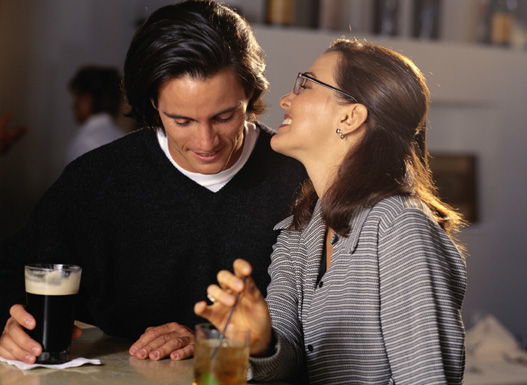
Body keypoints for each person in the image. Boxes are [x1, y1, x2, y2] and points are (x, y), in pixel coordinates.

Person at [0, 0, 306, 365]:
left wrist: (211, 338)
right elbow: (13, 271)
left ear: (251, 95)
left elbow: (326, 329)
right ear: (152, 104)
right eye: (182, 121)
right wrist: (10, 322)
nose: (206, 143)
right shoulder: (97, 180)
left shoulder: (301, 181)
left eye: (224, 116)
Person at [195, 39, 468, 384]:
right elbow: (285, 364)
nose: (285, 99)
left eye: (306, 85)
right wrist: (261, 343)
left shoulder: (401, 226)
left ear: (350, 116)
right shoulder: (299, 229)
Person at [66, 65, 125, 164]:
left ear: (87, 99)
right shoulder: (124, 139)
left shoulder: (84, 143)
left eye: (78, 97)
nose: (74, 105)